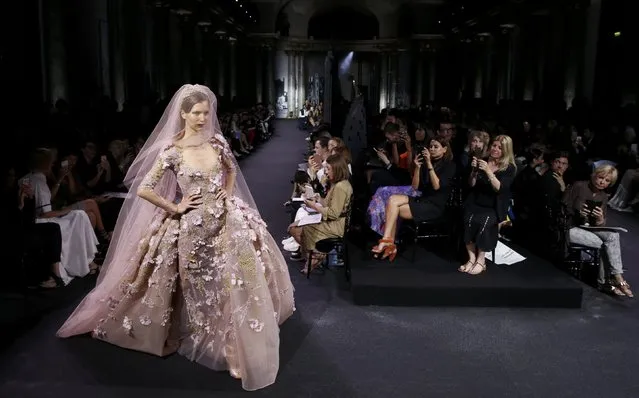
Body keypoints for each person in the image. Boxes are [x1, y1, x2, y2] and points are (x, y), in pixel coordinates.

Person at [56, 85, 295, 391]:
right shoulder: (172, 150)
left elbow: (231, 169)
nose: (202, 117)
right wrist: (176, 206)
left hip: (227, 218)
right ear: (183, 114)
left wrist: (227, 189)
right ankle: (207, 336)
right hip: (192, 226)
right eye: (196, 112)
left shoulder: (217, 142)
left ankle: (232, 343)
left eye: (206, 112)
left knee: (236, 278)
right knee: (201, 283)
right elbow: (144, 187)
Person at [371, 137, 456, 260]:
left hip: (434, 206)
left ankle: (388, 243)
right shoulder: (426, 164)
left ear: (444, 149)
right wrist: (417, 168)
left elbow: (437, 186)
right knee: (392, 200)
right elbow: (415, 187)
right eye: (430, 146)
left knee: (393, 210)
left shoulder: (449, 166)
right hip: (422, 200)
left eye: (436, 147)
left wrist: (429, 164)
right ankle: (388, 242)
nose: (432, 149)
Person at [563, 165, 632, 297]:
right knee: (606, 245)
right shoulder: (579, 186)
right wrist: (577, 212)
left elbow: (601, 224)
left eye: (607, 181)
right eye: (601, 177)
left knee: (613, 236)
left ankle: (616, 277)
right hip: (570, 226)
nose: (602, 182)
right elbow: (562, 207)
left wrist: (600, 218)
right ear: (594, 175)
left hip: (589, 228)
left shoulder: (603, 196)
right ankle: (607, 282)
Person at [460, 135, 517, 275]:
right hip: (476, 201)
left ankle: (481, 260)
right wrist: (473, 171)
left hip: (493, 206)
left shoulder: (509, 168)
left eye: (499, 147)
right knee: (466, 219)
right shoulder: (483, 160)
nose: (495, 149)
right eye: (494, 145)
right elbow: (471, 184)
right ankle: (471, 258)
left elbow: (500, 188)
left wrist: (488, 171)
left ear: (506, 151)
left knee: (485, 222)